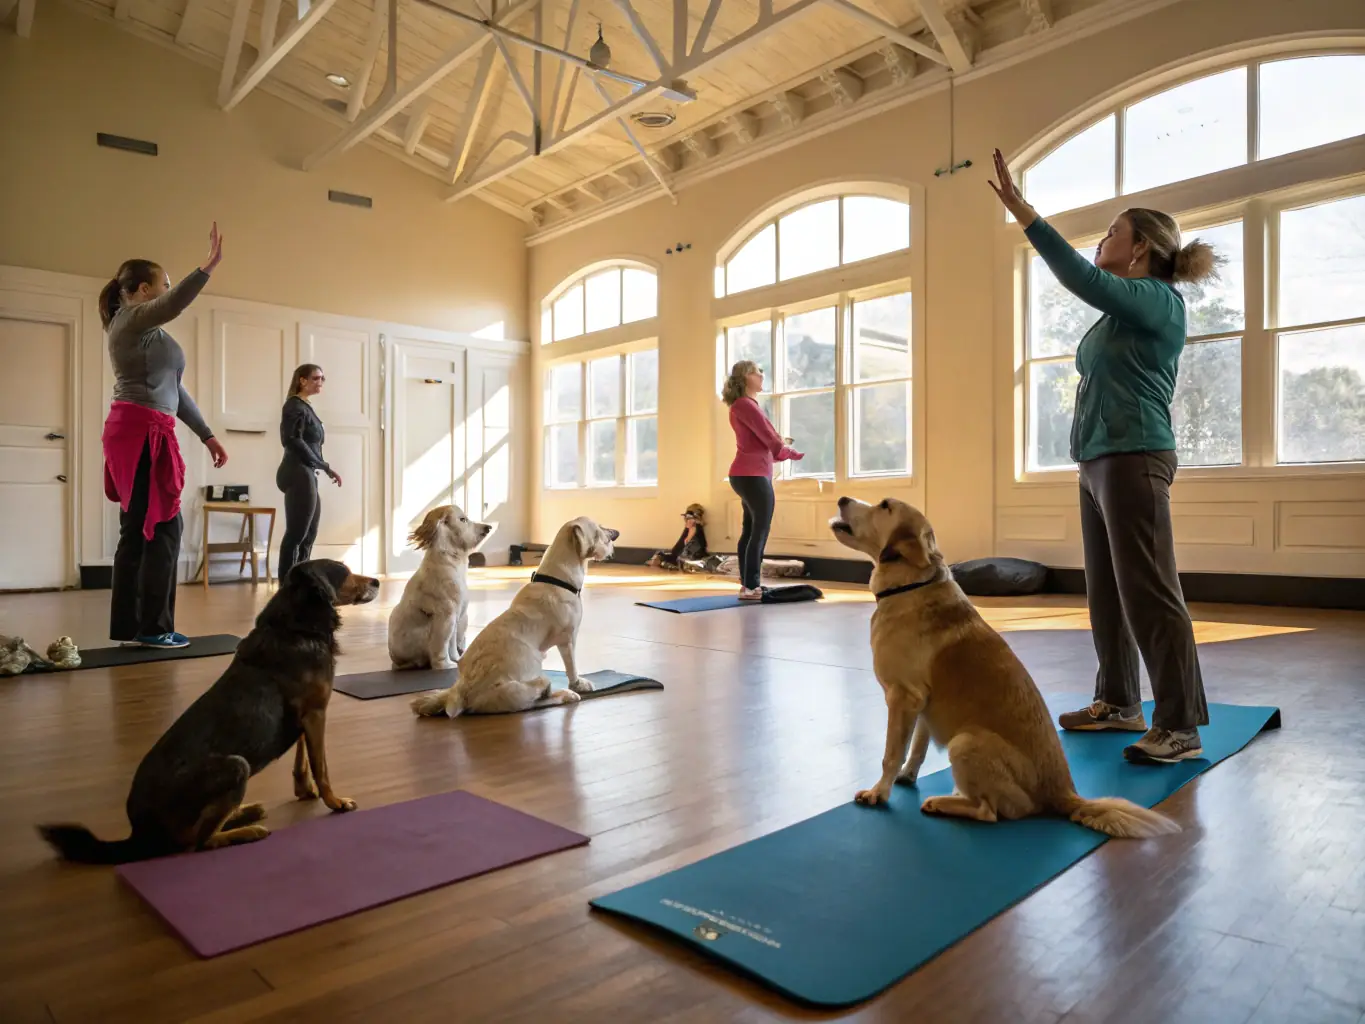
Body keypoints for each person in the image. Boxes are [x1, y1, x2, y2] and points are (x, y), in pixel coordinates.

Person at [987, 147, 1215, 765]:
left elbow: (1084, 280)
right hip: (1097, 461)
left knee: (1149, 589)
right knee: (1107, 591)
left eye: (1113, 231)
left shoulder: (1158, 300)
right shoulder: (1118, 317)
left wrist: (1026, 215)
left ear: (1140, 247)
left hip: (1135, 455)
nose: (1102, 240)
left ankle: (1181, 725)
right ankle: (1118, 702)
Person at [100, 224, 229, 649]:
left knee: (145, 529)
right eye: (164, 284)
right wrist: (207, 268)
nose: (170, 291)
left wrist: (207, 434)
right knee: (156, 529)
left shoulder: (151, 335)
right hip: (138, 433)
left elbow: (177, 390)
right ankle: (153, 628)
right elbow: (173, 305)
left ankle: (139, 629)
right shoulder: (130, 321)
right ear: (140, 290)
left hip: (151, 431)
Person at [721, 361, 803, 600]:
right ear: (746, 377)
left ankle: (748, 584)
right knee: (759, 531)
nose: (762, 375)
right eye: (758, 372)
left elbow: (763, 444)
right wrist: (789, 453)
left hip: (748, 474)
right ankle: (751, 587)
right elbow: (770, 439)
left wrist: (780, 450)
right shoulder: (746, 405)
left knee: (750, 530)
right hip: (751, 476)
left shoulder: (743, 406)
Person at [276, 363, 341, 580]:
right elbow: (292, 440)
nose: (320, 382)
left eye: (323, 378)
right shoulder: (294, 406)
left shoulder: (305, 406)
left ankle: (300, 583)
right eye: (315, 378)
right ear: (302, 380)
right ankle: (287, 588)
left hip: (307, 472)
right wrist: (325, 466)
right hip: (296, 472)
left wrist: (322, 467)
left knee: (309, 534)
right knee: (296, 535)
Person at [647, 503, 709, 571]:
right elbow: (677, 548)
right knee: (661, 554)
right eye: (686, 518)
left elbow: (692, 550)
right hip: (682, 556)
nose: (687, 520)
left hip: (691, 558)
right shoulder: (689, 529)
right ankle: (662, 562)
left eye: (689, 518)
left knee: (675, 559)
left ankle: (664, 563)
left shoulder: (697, 529)